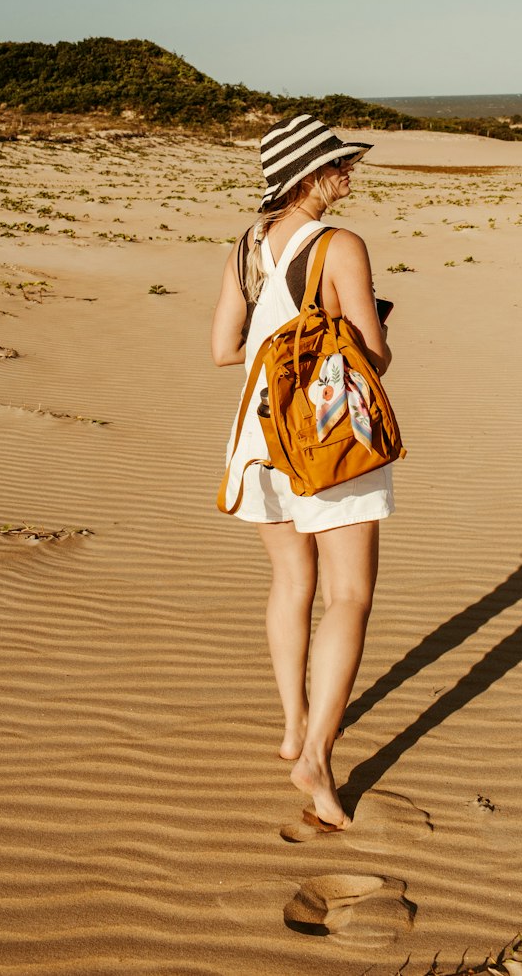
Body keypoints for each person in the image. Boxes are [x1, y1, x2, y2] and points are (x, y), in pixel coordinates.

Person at [211, 114, 395, 828]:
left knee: (292, 581)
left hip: (257, 432)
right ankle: (316, 753)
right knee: (348, 595)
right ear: (307, 175)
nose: (350, 174)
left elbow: (225, 349)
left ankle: (293, 724)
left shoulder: (243, 246)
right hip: (325, 434)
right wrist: (347, 333)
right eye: (338, 165)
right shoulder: (341, 245)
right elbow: (374, 357)